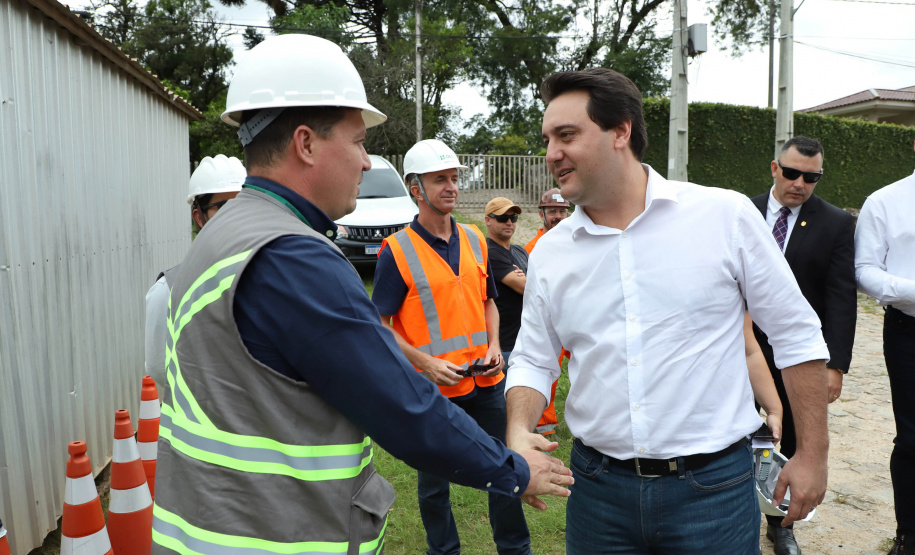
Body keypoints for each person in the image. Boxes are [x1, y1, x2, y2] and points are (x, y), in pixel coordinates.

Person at [151, 35, 571, 555]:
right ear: (305, 143)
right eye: (357, 141)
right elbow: (401, 406)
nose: (367, 162)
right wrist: (512, 470)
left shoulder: (222, 234)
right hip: (276, 536)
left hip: (207, 529)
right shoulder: (294, 258)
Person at [505, 67, 830, 554]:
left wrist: (812, 453)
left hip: (713, 493)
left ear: (621, 132)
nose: (552, 153)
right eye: (548, 138)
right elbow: (533, 357)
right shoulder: (551, 252)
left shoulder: (723, 216)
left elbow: (796, 334)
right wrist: (516, 430)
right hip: (597, 493)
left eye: (567, 135)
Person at [373, 140, 533, 555]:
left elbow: (488, 302)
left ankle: (515, 549)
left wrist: (495, 343)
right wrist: (425, 363)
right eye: (439, 179)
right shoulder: (397, 251)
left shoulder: (475, 238)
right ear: (415, 188)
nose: (451, 187)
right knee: (433, 485)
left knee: (505, 470)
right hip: (435, 389)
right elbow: (381, 324)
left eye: (454, 178)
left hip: (487, 380)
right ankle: (443, 551)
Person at [749, 136, 857, 555]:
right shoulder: (743, 211)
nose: (800, 183)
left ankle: (781, 522)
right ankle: (732, 505)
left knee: (793, 438)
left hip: (796, 355)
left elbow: (840, 297)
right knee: (735, 430)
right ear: (774, 168)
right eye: (792, 173)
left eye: (811, 177)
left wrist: (836, 364)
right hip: (737, 347)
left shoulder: (835, 223)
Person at [855, 139, 915, 555]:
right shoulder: (885, 201)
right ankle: (907, 536)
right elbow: (865, 270)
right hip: (909, 330)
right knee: (912, 438)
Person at [144, 154, 244, 396]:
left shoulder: (276, 275)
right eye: (224, 207)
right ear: (199, 217)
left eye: (244, 205)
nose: (238, 217)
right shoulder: (167, 289)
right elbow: (159, 368)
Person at [484, 197, 528, 363]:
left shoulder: (519, 251)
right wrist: (528, 279)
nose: (509, 222)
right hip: (506, 346)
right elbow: (527, 288)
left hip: (525, 340)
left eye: (513, 218)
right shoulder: (490, 253)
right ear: (488, 220)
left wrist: (530, 279)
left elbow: (541, 282)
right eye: (503, 218)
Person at [524, 187, 570, 253]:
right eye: (553, 211)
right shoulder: (531, 250)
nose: (558, 216)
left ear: (567, 214)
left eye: (562, 211)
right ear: (542, 215)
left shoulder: (573, 244)